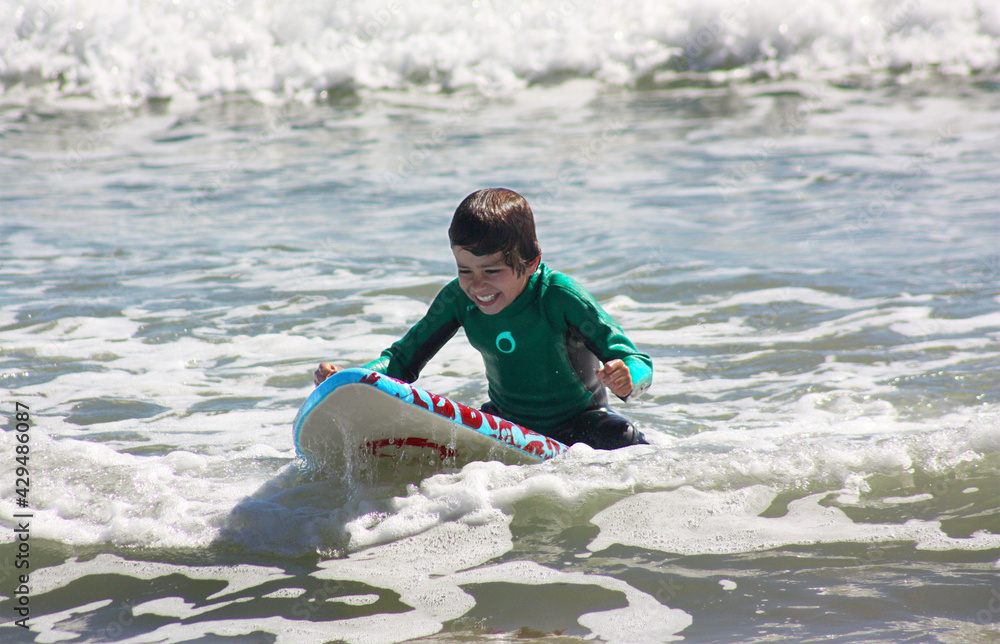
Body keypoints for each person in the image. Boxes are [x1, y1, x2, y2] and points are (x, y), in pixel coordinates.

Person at [314, 188, 651, 449]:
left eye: (492, 270)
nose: (477, 285)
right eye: (465, 270)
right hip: (506, 423)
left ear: (531, 262)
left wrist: (627, 377)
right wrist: (353, 381)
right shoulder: (458, 299)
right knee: (444, 443)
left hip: (580, 422)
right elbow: (401, 361)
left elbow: (636, 360)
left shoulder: (561, 297)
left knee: (622, 437)